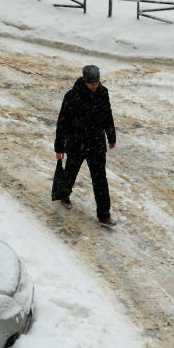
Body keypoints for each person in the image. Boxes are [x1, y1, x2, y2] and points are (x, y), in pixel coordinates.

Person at [54, 65, 117, 227]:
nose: (95, 86)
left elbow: (107, 115)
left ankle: (104, 215)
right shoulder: (72, 96)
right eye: (91, 83)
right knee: (71, 171)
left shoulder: (103, 93)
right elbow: (63, 122)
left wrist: (111, 136)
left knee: (100, 179)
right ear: (84, 81)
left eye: (97, 82)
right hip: (76, 142)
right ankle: (64, 194)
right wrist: (59, 147)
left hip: (96, 143)